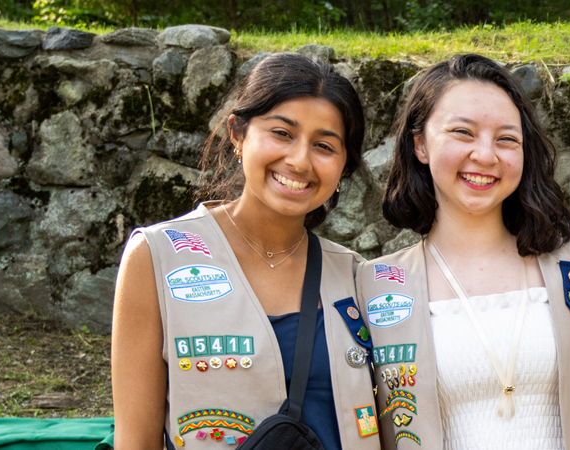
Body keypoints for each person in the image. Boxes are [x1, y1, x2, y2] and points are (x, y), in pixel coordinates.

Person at [110, 53, 378, 450]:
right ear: (238, 134)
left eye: (324, 145)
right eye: (282, 133)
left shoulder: (356, 277)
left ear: (343, 166)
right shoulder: (157, 256)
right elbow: (135, 441)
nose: (299, 160)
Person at [354, 54, 570, 450]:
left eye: (507, 138)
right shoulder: (372, 286)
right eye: (463, 132)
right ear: (420, 144)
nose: (486, 155)